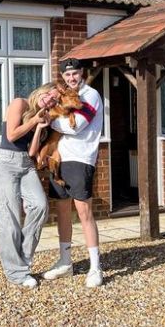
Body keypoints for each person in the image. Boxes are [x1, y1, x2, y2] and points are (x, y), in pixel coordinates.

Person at [42, 58, 105, 288]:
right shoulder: (64, 94)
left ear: (82, 73)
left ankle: (95, 267)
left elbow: (75, 126)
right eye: (67, 76)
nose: (71, 78)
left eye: (75, 74)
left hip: (81, 158)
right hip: (59, 158)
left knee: (84, 212)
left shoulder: (91, 95)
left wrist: (51, 121)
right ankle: (65, 262)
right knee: (62, 211)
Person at [0, 83, 61, 289]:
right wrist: (34, 121)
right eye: (49, 94)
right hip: (6, 162)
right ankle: (16, 273)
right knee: (9, 217)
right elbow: (12, 136)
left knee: (40, 206)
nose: (50, 100)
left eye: (54, 100)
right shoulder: (19, 103)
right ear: (41, 90)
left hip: (26, 164)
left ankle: (23, 258)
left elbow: (31, 152)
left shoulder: (42, 118)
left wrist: (40, 128)